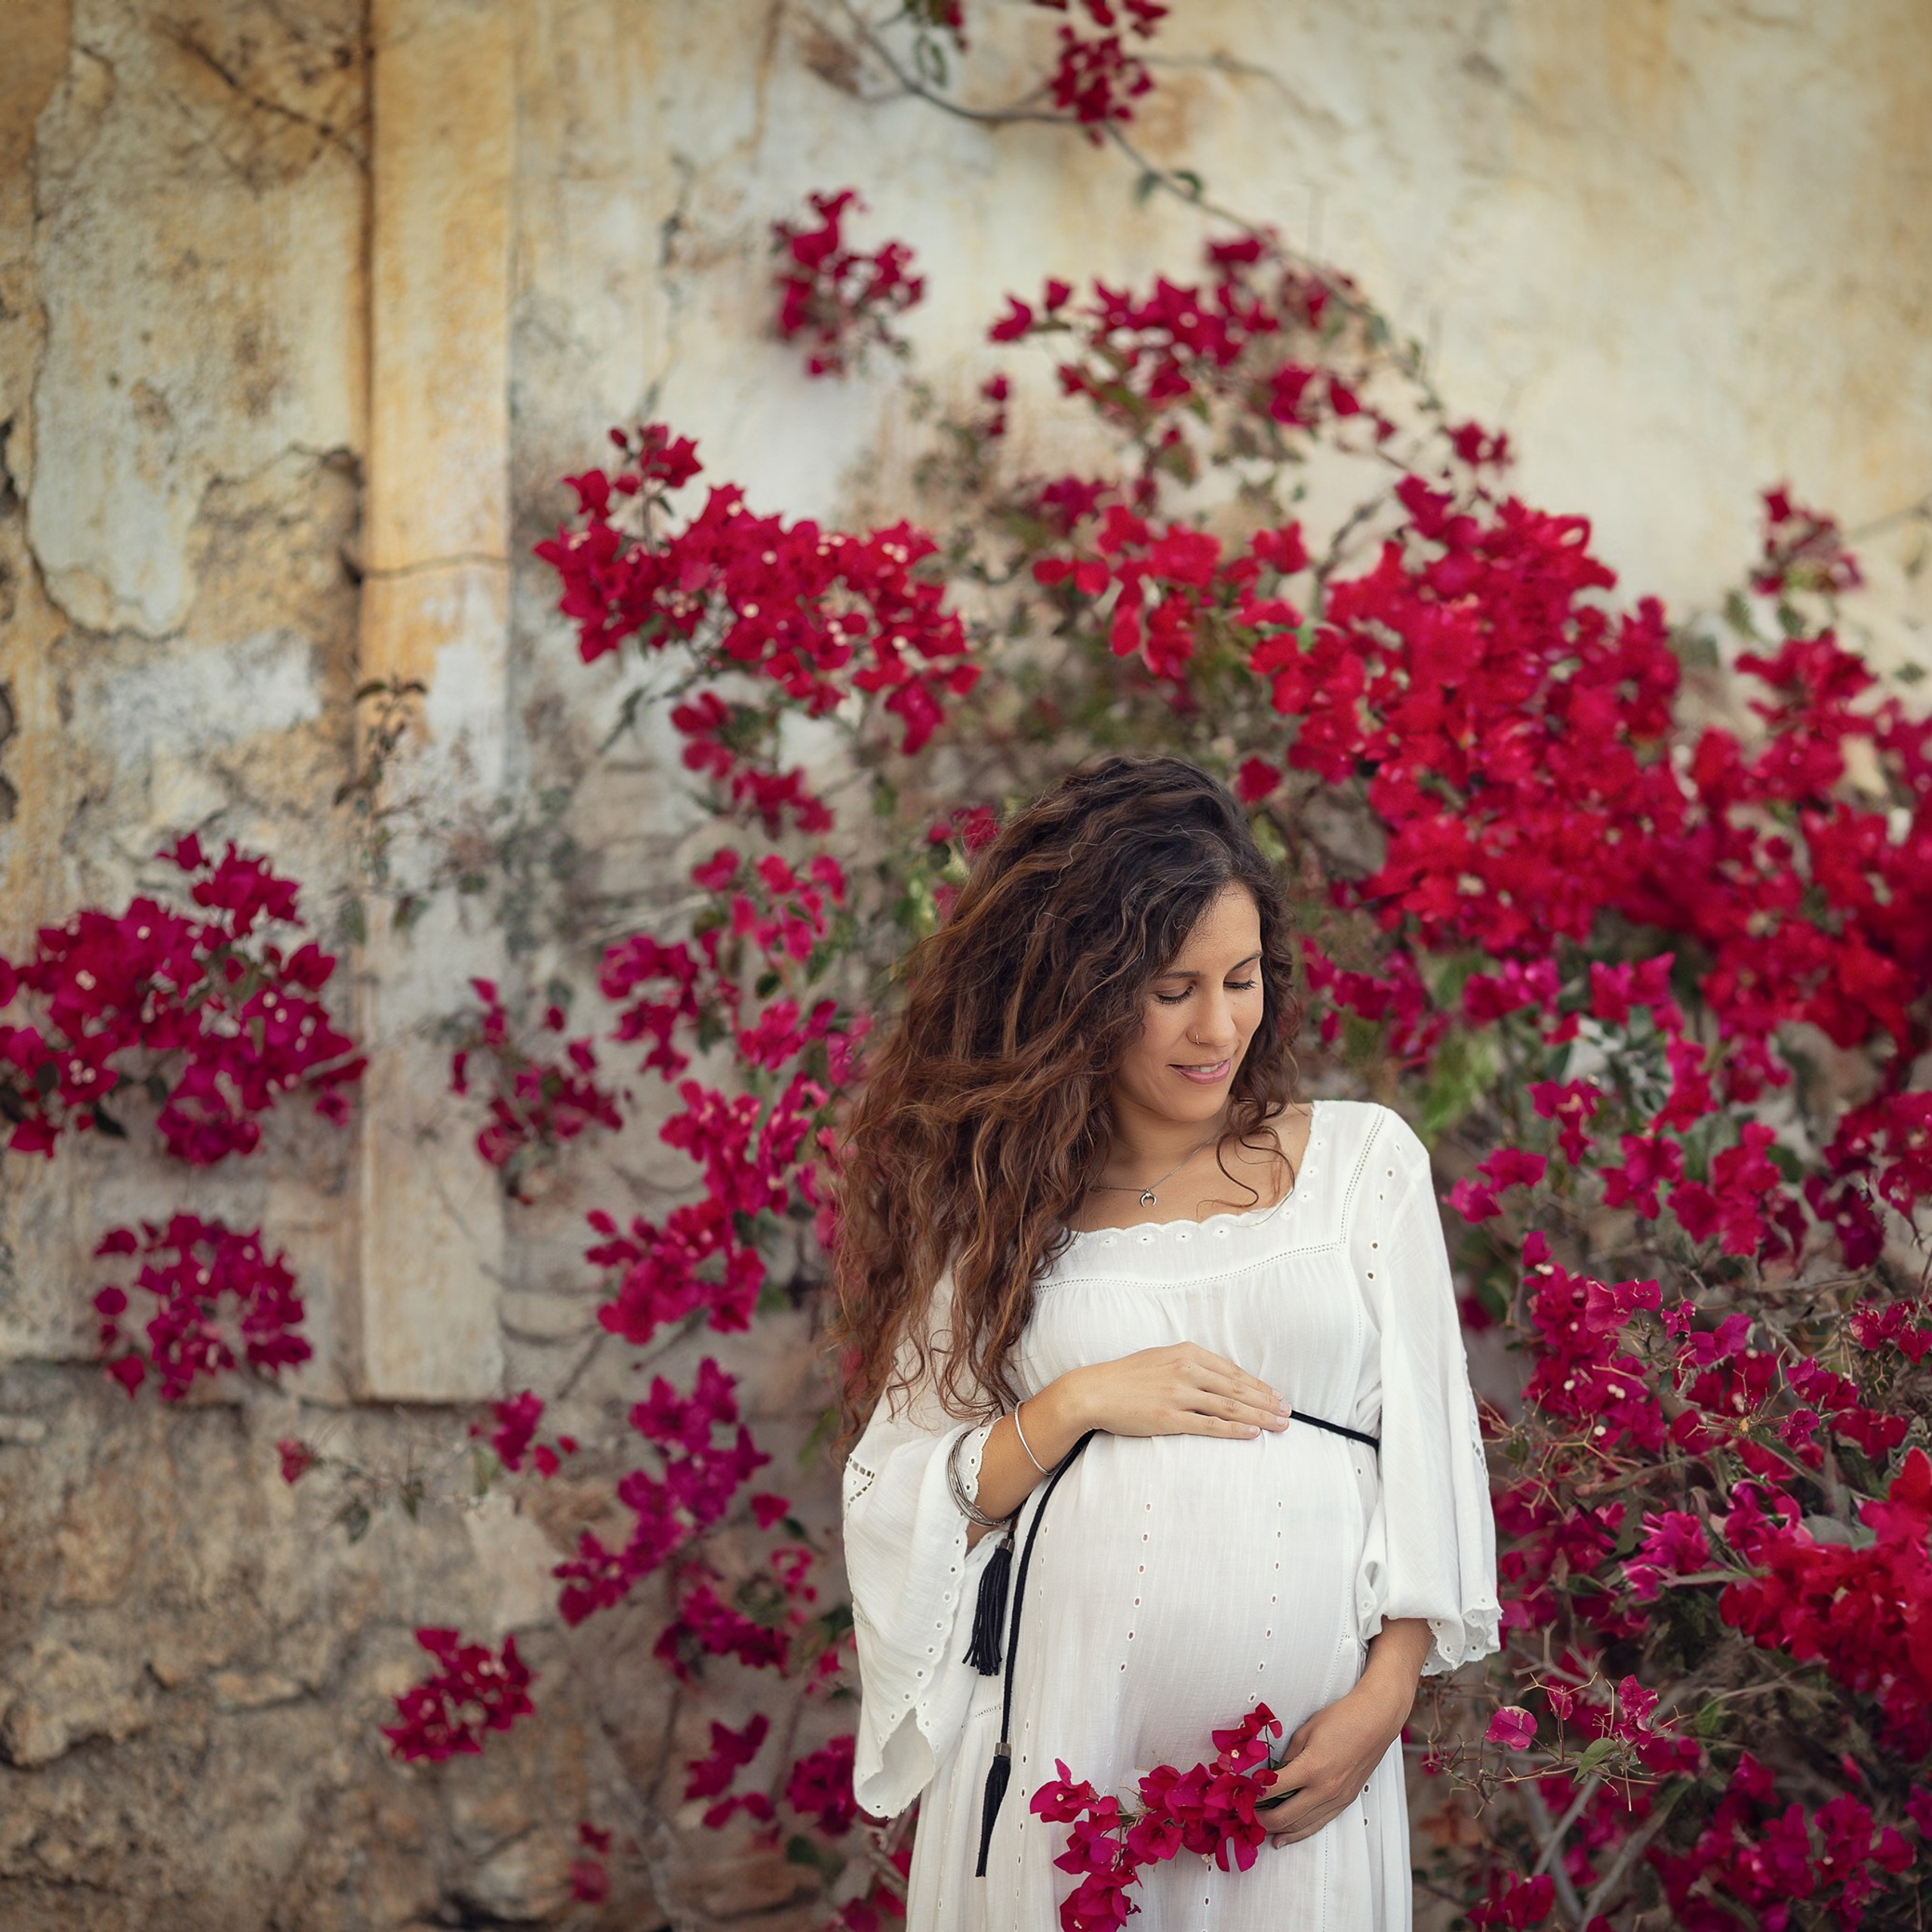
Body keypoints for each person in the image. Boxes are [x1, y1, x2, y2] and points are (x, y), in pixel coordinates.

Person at [834, 756, 1498, 1930]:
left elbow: (1431, 1458)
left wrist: (1382, 1700)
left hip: (1297, 1777)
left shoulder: (1360, 1163)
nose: (1218, 1027)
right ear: (1082, 998)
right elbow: (903, 1488)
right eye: (1171, 989)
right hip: (1056, 1755)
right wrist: (1077, 1401)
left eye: (1240, 980)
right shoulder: (1003, 1218)